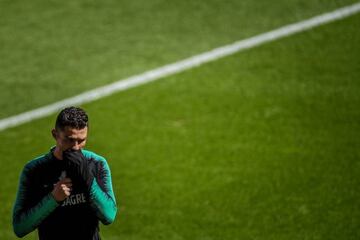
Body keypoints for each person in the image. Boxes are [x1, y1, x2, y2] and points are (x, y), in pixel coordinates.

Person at [12, 106, 117, 240]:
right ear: (55, 135)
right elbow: (20, 227)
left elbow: (109, 216)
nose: (75, 147)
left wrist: (88, 181)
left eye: (81, 140)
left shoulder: (96, 163)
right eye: (69, 140)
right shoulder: (34, 170)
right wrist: (53, 199)